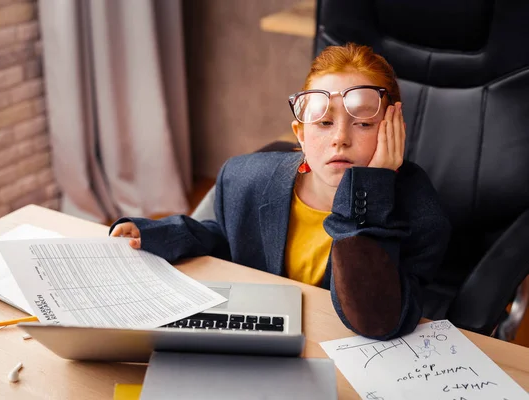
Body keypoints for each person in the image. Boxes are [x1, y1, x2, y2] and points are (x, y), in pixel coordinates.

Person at [110, 43, 451, 340]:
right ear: (300, 134)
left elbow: (376, 319)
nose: (340, 137)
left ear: (395, 130)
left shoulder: (421, 212)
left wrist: (371, 189)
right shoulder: (245, 179)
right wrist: (157, 234)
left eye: (363, 122)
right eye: (324, 122)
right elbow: (227, 238)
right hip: (266, 342)